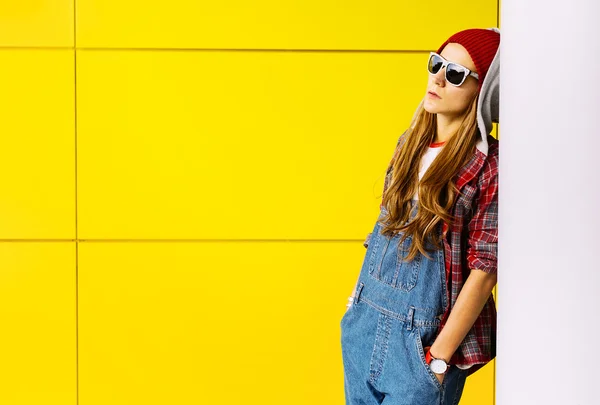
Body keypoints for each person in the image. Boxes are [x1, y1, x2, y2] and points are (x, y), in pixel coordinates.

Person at [340, 27, 501, 405]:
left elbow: (485, 271)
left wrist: (439, 358)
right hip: (362, 330)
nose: (439, 78)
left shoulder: (489, 166)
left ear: (483, 92)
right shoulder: (408, 144)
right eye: (437, 63)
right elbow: (383, 229)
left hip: (421, 348)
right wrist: (353, 311)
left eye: (457, 74)